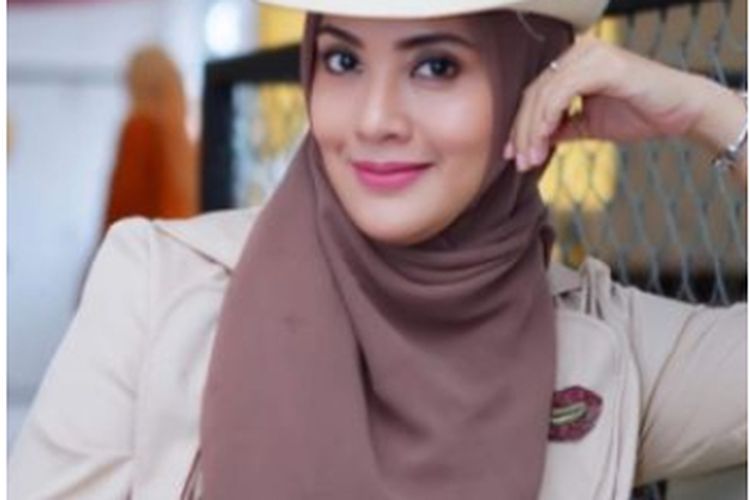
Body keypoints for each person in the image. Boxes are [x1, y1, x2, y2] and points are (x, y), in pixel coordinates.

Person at [9, 1, 746, 499]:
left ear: (529, 82)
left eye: (436, 66)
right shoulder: (158, 284)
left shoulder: (603, 346)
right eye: (342, 61)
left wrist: (713, 115)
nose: (374, 119)